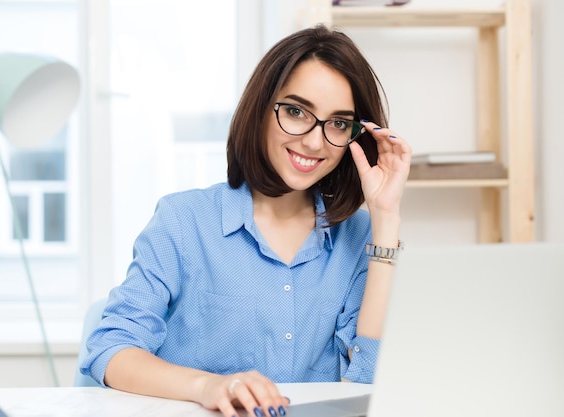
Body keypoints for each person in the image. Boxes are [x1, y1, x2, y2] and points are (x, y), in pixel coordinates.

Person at [81, 24, 411, 417]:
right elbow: (112, 349)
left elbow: (367, 378)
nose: (313, 141)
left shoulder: (360, 238)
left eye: (338, 123)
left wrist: (386, 216)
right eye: (296, 111)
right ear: (261, 110)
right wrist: (208, 386)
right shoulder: (183, 221)